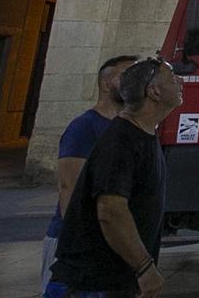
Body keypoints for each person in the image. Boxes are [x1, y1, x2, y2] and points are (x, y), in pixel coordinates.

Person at [48, 57, 185, 298]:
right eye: (172, 78)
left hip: (113, 281)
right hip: (90, 285)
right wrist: (144, 267)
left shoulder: (142, 135)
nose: (181, 81)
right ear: (153, 91)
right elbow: (111, 212)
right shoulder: (120, 141)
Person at [42, 54, 137, 294]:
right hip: (76, 247)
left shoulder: (123, 129)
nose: (135, 82)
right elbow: (69, 188)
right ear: (107, 83)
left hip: (105, 245)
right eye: (128, 75)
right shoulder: (84, 127)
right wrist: (82, 246)